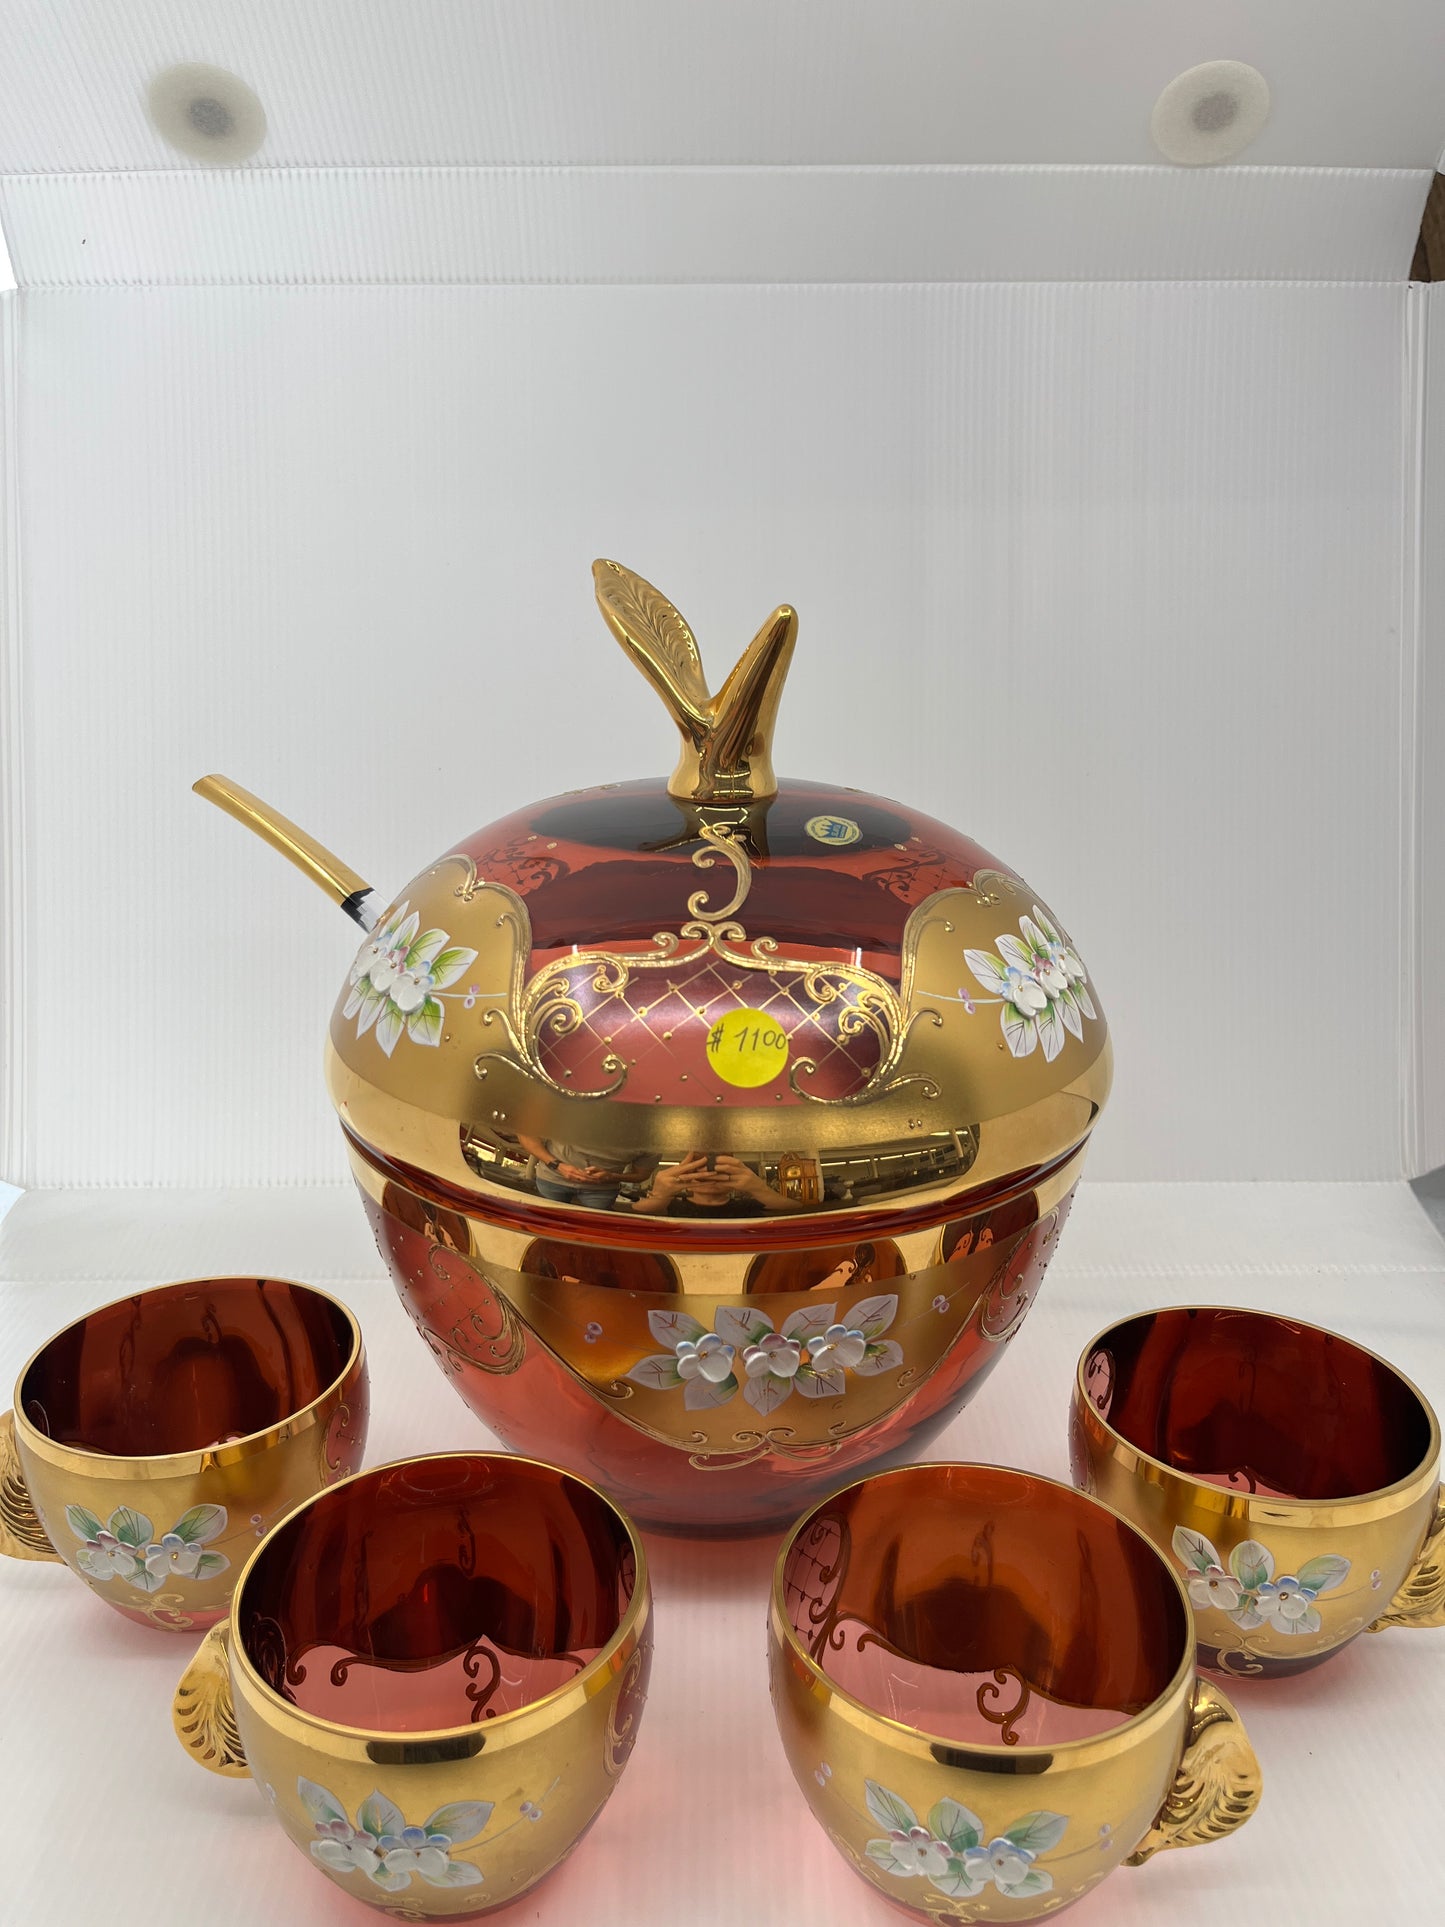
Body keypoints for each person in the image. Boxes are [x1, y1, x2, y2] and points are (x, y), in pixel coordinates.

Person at [632, 1152, 803, 1218]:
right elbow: (635, 1217)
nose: (710, 1174)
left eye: (722, 1169)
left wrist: (759, 1188)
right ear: (685, 1176)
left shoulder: (748, 1207)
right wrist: (659, 1196)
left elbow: (797, 1212)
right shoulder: (669, 1207)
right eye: (698, 1169)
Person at [517, 1134, 657, 1211]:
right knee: (546, 1223)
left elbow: (642, 1175)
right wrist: (557, 1165)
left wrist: (611, 1176)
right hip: (552, 1178)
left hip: (601, 1190)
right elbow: (525, 1131)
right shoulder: (573, 1105)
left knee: (593, 1233)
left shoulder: (652, 1137)